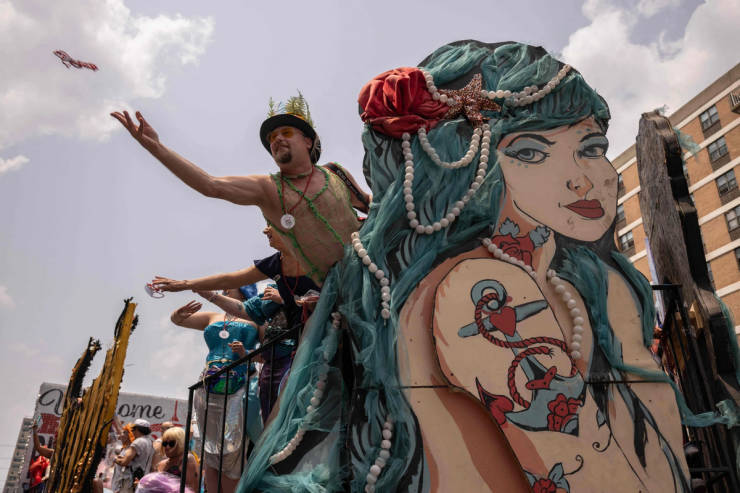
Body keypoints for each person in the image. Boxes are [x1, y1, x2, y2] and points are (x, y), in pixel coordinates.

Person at [236, 41, 730, 493]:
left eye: (591, 147)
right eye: (532, 151)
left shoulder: (567, 279)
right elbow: (588, 473)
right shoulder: (484, 288)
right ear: (476, 165)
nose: (584, 178)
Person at [111, 94, 370, 286]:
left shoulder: (335, 173)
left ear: (307, 140)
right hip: (339, 292)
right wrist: (156, 148)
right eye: (271, 138)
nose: (276, 139)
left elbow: (372, 204)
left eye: (286, 132)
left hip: (375, 266)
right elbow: (210, 185)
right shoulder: (267, 188)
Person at [170, 288, 260, 493]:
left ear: (245, 292)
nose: (224, 291)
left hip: (239, 387)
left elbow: (270, 354)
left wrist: (246, 353)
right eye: (224, 289)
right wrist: (178, 313)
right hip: (208, 387)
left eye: (231, 288)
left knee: (232, 448)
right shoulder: (213, 316)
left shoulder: (257, 318)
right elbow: (178, 320)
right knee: (210, 450)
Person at [137, 426, 199, 493]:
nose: (167, 447)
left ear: (180, 443)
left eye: (171, 443)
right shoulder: (161, 464)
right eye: (165, 443)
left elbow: (192, 489)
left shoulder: (187, 460)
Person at [114, 419, 154, 490]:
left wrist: (114, 459)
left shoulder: (138, 442)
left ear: (138, 429)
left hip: (130, 480)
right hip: (141, 480)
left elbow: (124, 462)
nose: (132, 431)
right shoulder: (150, 442)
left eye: (133, 429)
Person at [111, 423, 134, 493]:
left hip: (123, 486)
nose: (121, 435)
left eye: (124, 433)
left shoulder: (130, 450)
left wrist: (114, 458)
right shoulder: (125, 448)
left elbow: (124, 471)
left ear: (129, 436)